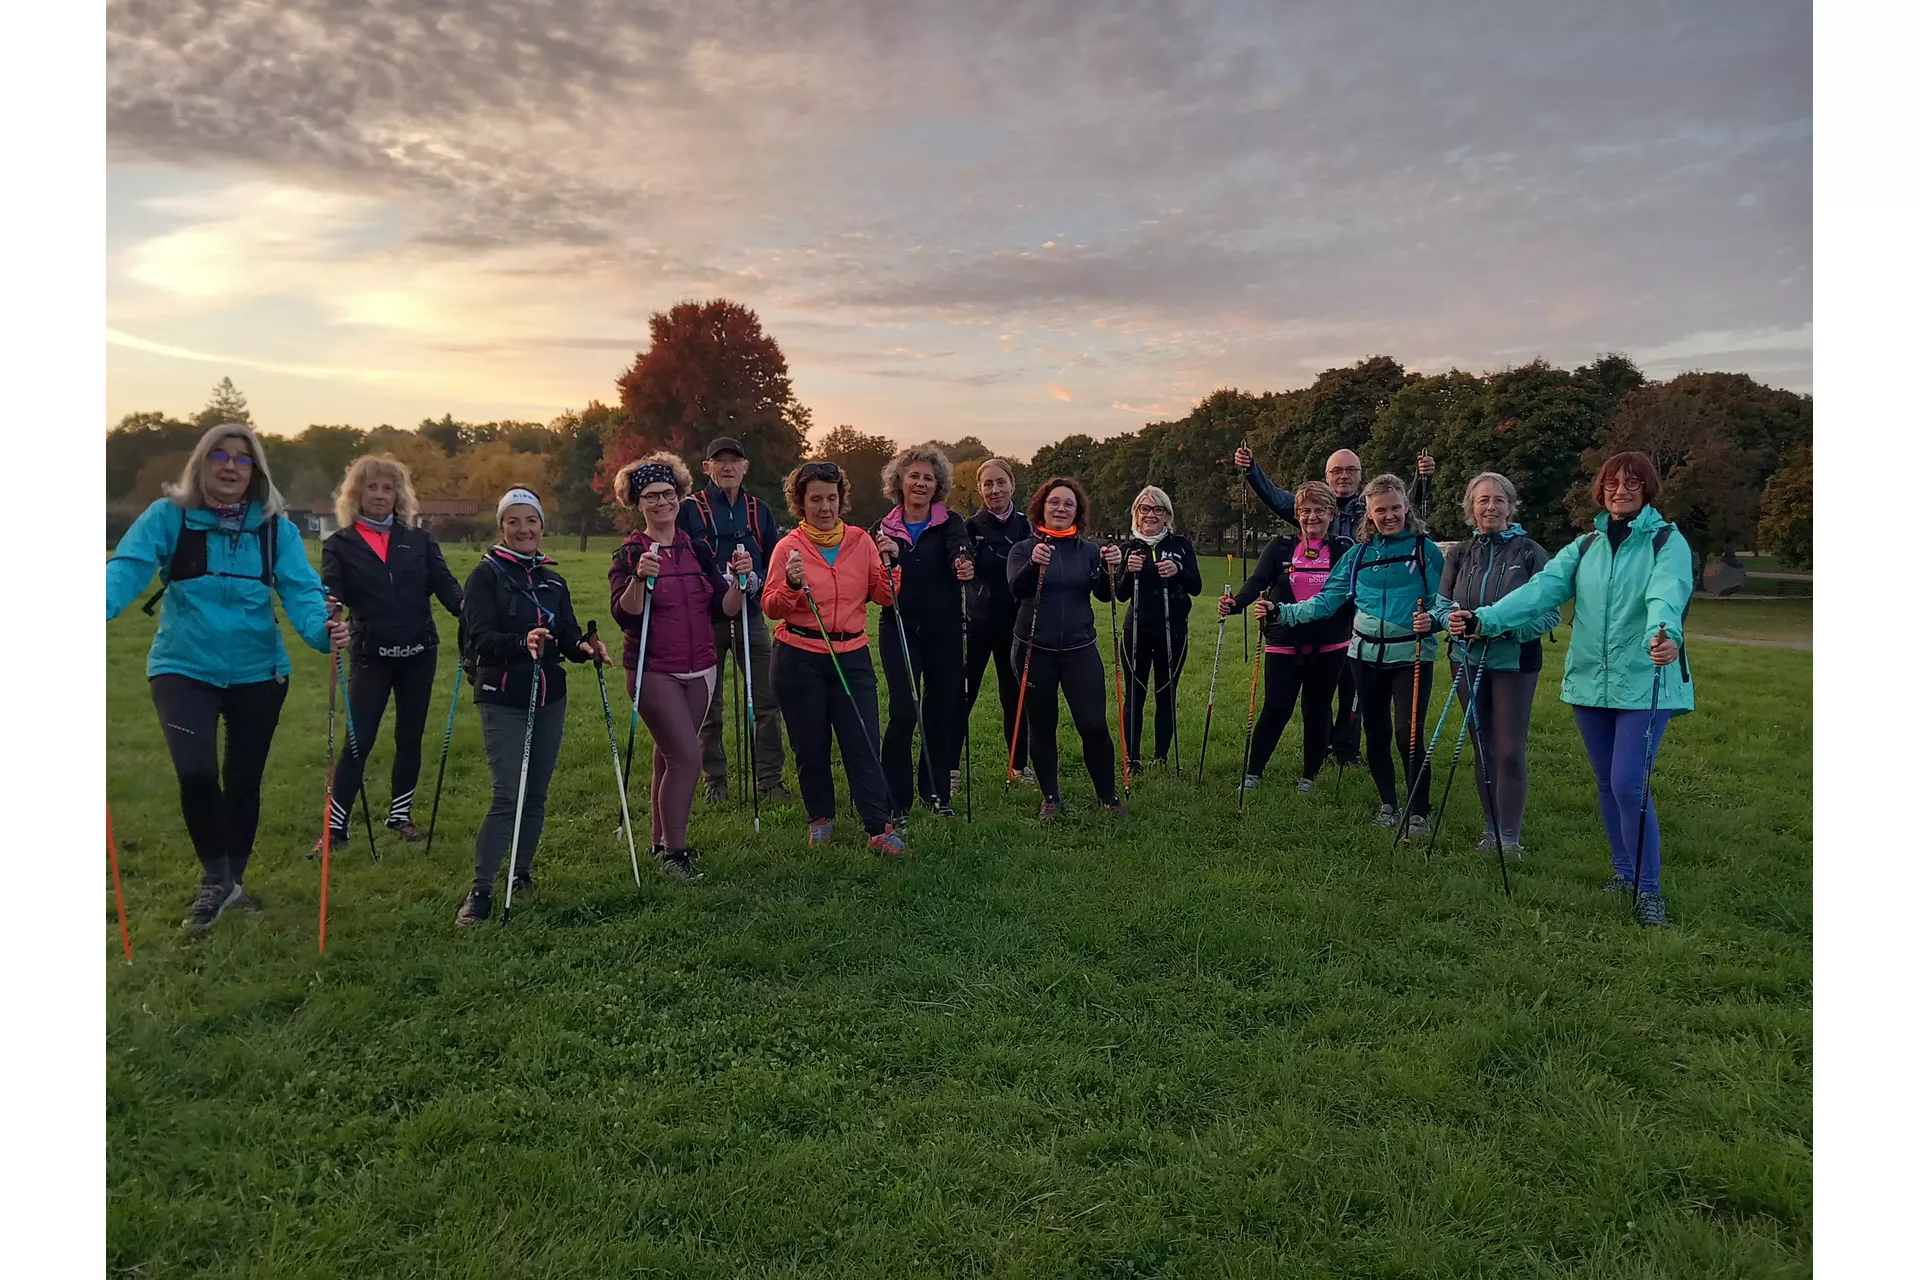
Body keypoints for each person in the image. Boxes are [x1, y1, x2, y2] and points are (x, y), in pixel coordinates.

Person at [107, 422, 348, 935]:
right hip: (183, 665)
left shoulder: (275, 528)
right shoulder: (168, 518)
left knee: (243, 778)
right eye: (219, 455)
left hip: (259, 671)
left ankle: (232, 880)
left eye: (242, 459)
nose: (230, 466)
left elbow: (302, 591)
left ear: (255, 471)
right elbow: (124, 568)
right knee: (195, 773)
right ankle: (215, 880)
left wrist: (324, 631)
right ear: (201, 463)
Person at [1451, 452, 1693, 926]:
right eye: (1611, 484)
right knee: (1607, 783)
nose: (1620, 491)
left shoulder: (1667, 541)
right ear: (1601, 490)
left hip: (1646, 679)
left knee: (1628, 782)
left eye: (1632, 483)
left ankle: (1649, 890)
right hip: (1590, 682)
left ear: (1647, 489)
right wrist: (1485, 618)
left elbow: (1667, 591)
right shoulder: (1585, 546)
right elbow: (1539, 591)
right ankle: (1623, 874)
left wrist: (1665, 634)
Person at [454, 487, 611, 924]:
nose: (524, 529)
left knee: (536, 793)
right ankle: (481, 890)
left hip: (548, 696)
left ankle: (520, 874)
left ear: (542, 526)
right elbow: (479, 638)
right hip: (502, 695)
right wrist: (522, 643)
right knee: (508, 794)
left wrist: (586, 648)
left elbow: (568, 635)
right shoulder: (486, 575)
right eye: (514, 522)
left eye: (531, 521)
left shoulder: (553, 579)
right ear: (501, 527)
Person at [1234, 445, 1433, 773]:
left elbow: (1400, 509)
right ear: (1326, 477)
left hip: (1354, 614)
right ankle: (1325, 747)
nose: (1343, 476)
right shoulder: (1311, 505)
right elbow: (1273, 496)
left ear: (1359, 475)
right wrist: (1251, 468)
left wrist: (1423, 479)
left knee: (1351, 688)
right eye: (1336, 471)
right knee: (1318, 694)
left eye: (1350, 470)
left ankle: (1346, 748)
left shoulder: (1366, 507)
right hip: (1310, 618)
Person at [1273, 474, 1446, 834]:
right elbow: (1327, 600)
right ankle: (1388, 804)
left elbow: (1443, 602)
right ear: (1369, 514)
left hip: (1411, 655)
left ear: (1406, 507)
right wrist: (1284, 612)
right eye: (1381, 510)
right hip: (1365, 656)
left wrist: (1433, 621)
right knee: (1376, 734)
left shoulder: (1423, 549)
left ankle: (1419, 811)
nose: (1389, 516)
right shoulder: (1359, 553)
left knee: (1408, 735)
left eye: (1396, 508)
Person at [610, 455, 751, 880]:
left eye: (668, 494)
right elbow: (625, 615)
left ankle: (657, 840)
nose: (661, 503)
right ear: (638, 502)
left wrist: (742, 584)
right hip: (654, 670)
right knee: (686, 758)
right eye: (651, 496)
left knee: (668, 757)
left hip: (701, 669)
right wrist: (639, 578)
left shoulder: (698, 548)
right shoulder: (631, 553)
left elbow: (722, 608)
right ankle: (676, 853)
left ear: (680, 496)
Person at [758, 461, 908, 856]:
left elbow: (883, 595)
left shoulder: (861, 541)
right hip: (799, 656)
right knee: (810, 744)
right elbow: (771, 606)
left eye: (832, 497)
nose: (825, 507)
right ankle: (820, 818)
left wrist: (893, 566)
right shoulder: (788, 547)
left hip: (851, 654)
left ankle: (878, 826)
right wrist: (791, 584)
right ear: (801, 503)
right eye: (816, 499)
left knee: (861, 740)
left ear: (842, 498)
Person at [318, 454, 464, 848]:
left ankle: (400, 815)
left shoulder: (418, 540)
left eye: (388, 488)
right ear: (357, 494)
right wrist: (330, 615)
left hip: (419, 650)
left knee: (410, 736)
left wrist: (472, 613)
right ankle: (336, 827)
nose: (380, 495)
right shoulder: (340, 545)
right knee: (358, 739)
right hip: (371, 653)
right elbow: (331, 591)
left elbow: (447, 586)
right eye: (372, 487)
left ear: (399, 496)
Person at [1433, 472, 1560, 856]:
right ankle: (1490, 831)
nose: (1491, 507)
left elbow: (1549, 612)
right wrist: (1450, 621)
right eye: (1483, 500)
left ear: (1510, 505)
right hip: (1466, 660)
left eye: (1498, 500)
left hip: (1514, 662)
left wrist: (1505, 630)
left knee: (1508, 750)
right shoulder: (1459, 552)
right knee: (1483, 746)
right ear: (1471, 507)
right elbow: (1441, 604)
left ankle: (1509, 836)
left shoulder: (1529, 552)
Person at [1217, 481, 1354, 790]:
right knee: (1276, 707)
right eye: (1305, 511)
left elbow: (1356, 591)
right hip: (1284, 640)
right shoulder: (1280, 546)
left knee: (1317, 710)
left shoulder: (1344, 548)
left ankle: (1309, 776)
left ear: (1332, 514)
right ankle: (1253, 772)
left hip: (1330, 644)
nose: (1312, 518)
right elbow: (1257, 580)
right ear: (1296, 514)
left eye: (1320, 511)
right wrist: (1236, 603)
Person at [1006, 476, 1126, 818]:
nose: (1060, 508)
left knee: (1092, 725)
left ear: (1078, 511)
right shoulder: (1024, 549)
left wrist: (1110, 567)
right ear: (1042, 506)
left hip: (1079, 649)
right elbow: (1017, 588)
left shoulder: (1088, 550)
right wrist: (1034, 563)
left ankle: (1107, 797)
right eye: (1054, 502)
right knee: (1042, 724)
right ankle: (1051, 799)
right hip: (1034, 648)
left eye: (1068, 504)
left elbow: (1105, 593)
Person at [677, 436, 788, 804]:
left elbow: (774, 559)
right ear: (706, 467)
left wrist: (754, 579)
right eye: (718, 461)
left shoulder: (759, 510)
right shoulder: (689, 509)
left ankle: (770, 781)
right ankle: (714, 780)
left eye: (734, 460)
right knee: (709, 703)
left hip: (750, 614)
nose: (727, 467)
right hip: (705, 619)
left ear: (745, 466)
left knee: (767, 699)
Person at [874, 444, 975, 821]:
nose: (920, 483)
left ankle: (935, 791)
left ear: (937, 486)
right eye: (913, 475)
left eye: (927, 478)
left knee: (941, 709)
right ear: (899, 481)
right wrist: (884, 557)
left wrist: (962, 562)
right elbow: (877, 581)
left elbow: (958, 549)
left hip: (944, 628)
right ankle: (894, 798)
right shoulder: (883, 528)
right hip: (899, 624)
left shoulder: (950, 522)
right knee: (903, 709)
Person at [1113, 485, 1202, 769]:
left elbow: (1196, 586)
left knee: (1166, 692)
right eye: (1145, 509)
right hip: (1137, 630)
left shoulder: (1180, 545)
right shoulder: (1128, 548)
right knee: (1135, 693)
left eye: (1158, 509)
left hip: (1172, 629)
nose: (1151, 515)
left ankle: (1161, 756)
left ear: (1167, 515)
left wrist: (1178, 571)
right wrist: (1129, 569)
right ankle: (1132, 758)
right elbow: (1120, 593)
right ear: (1136, 514)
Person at [963, 458, 1035, 784]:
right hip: (977, 624)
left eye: (1000, 482)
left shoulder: (1028, 526)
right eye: (988, 484)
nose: (995, 490)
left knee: (1014, 697)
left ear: (1012, 484)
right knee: (962, 696)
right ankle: (949, 766)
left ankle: (1019, 766)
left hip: (1017, 626)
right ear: (980, 489)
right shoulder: (969, 528)